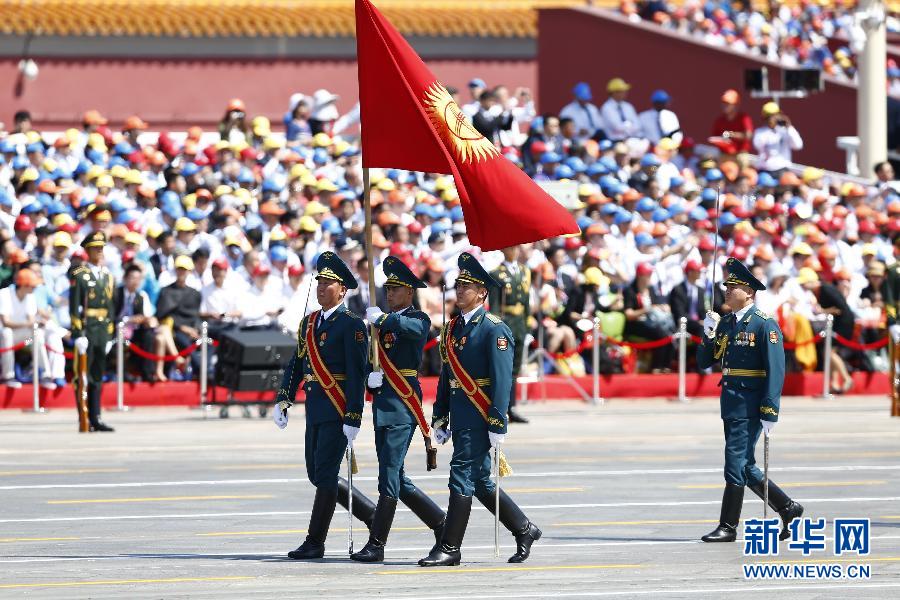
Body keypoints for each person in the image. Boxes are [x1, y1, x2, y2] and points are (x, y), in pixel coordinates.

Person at [419, 252, 541, 567]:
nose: (460, 290)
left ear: (482, 292)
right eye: (458, 285)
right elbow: (448, 376)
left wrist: (498, 422)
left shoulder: (494, 329)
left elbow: (502, 381)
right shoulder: (453, 327)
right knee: (481, 481)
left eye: (467, 286)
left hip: (481, 413)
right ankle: (524, 528)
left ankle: (450, 547)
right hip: (460, 413)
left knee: (460, 476)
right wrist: (440, 415)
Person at [273, 251, 372, 560]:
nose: (321, 288)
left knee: (326, 475)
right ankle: (373, 516)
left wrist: (354, 414)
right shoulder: (309, 323)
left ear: (342, 289)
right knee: (316, 473)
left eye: (328, 283)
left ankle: (315, 541)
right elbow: (297, 362)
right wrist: (284, 397)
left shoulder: (351, 325)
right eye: (319, 282)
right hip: (314, 408)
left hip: (337, 407)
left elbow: (357, 373)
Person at [697, 257, 803, 543]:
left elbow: (776, 369)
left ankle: (728, 526)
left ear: (750, 292)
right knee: (745, 465)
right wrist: (708, 334)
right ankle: (787, 507)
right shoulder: (727, 322)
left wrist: (770, 408)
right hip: (731, 402)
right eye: (727, 286)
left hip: (752, 403)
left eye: (734, 286)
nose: (727, 290)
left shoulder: (763, 325)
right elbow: (705, 362)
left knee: (734, 462)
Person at [350, 256, 447, 562]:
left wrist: (381, 319)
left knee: (388, 477)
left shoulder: (417, 319)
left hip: (403, 405)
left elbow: (415, 332)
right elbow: (371, 362)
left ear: (409, 292)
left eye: (396, 289)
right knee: (397, 477)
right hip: (383, 405)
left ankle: (377, 544)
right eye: (387, 289)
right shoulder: (380, 325)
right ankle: (441, 523)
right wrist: (370, 379)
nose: (389, 294)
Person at [69, 231, 116, 432]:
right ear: (87, 251)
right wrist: (78, 334)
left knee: (97, 374)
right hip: (87, 329)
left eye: (101, 248)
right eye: (96, 248)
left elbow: (110, 308)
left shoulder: (107, 276)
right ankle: (84, 417)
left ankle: (96, 417)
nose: (100, 251)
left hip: (101, 330)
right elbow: (74, 308)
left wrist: (110, 335)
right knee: (82, 375)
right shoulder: (80, 275)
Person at [0, 269, 62, 389]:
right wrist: (29, 322)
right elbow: (6, 323)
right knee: (6, 333)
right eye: (32, 285)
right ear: (24, 285)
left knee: (36, 334)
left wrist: (37, 323)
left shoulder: (30, 297)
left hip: (23, 342)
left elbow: (31, 321)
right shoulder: (4, 294)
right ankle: (8, 376)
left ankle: (45, 374)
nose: (35, 288)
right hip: (3, 340)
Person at [489, 245, 530, 424]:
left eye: (516, 248)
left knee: (515, 368)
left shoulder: (524, 271)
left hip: (520, 323)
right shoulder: (496, 273)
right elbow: (495, 304)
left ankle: (511, 407)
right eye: (511, 248)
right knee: (502, 367)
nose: (515, 251)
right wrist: (498, 326)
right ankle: (500, 407)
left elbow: (526, 300)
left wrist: (528, 324)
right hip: (507, 322)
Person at [752, 102, 803, 177]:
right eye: (769, 116)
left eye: (775, 115)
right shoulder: (760, 132)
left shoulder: (786, 131)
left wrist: (789, 126)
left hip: (783, 169)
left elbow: (798, 145)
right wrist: (771, 128)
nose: (773, 118)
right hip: (765, 170)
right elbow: (757, 145)